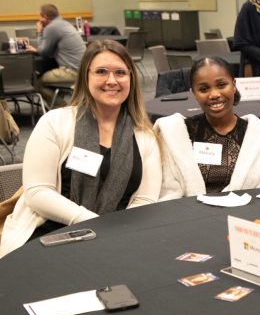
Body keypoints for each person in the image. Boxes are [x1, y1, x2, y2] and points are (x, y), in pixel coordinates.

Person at [0, 40, 162, 258]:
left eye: (120, 73)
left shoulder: (145, 136)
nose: (111, 80)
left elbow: (145, 200)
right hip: (49, 233)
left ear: (131, 79)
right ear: (86, 77)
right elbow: (37, 192)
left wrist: (120, 233)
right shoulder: (55, 123)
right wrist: (92, 223)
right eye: (101, 72)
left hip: (117, 237)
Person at [155, 57, 260, 200]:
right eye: (204, 89)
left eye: (221, 85)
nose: (214, 95)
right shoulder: (177, 135)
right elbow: (169, 191)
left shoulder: (258, 137)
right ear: (194, 93)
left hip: (242, 215)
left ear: (234, 85)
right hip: (189, 216)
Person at [25, 4, 86, 107]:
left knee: (37, 83)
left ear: (45, 17)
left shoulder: (52, 27)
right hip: (82, 69)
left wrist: (39, 32)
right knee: (48, 80)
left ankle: (64, 109)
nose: (39, 20)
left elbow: (43, 51)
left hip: (72, 71)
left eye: (40, 17)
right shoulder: (64, 23)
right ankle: (65, 105)